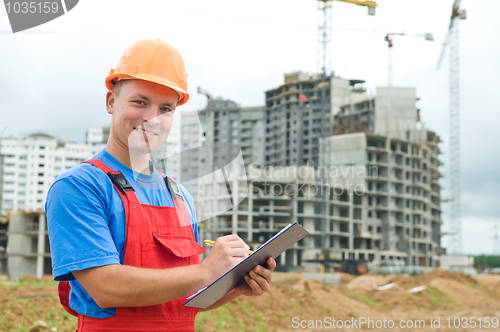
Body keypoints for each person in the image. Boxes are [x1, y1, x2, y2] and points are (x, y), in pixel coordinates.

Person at [46, 38, 276, 332]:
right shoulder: (80, 187)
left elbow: (183, 298)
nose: (151, 118)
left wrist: (233, 287)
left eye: (165, 108)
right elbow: (106, 288)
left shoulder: (179, 195)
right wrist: (207, 269)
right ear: (111, 102)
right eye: (140, 102)